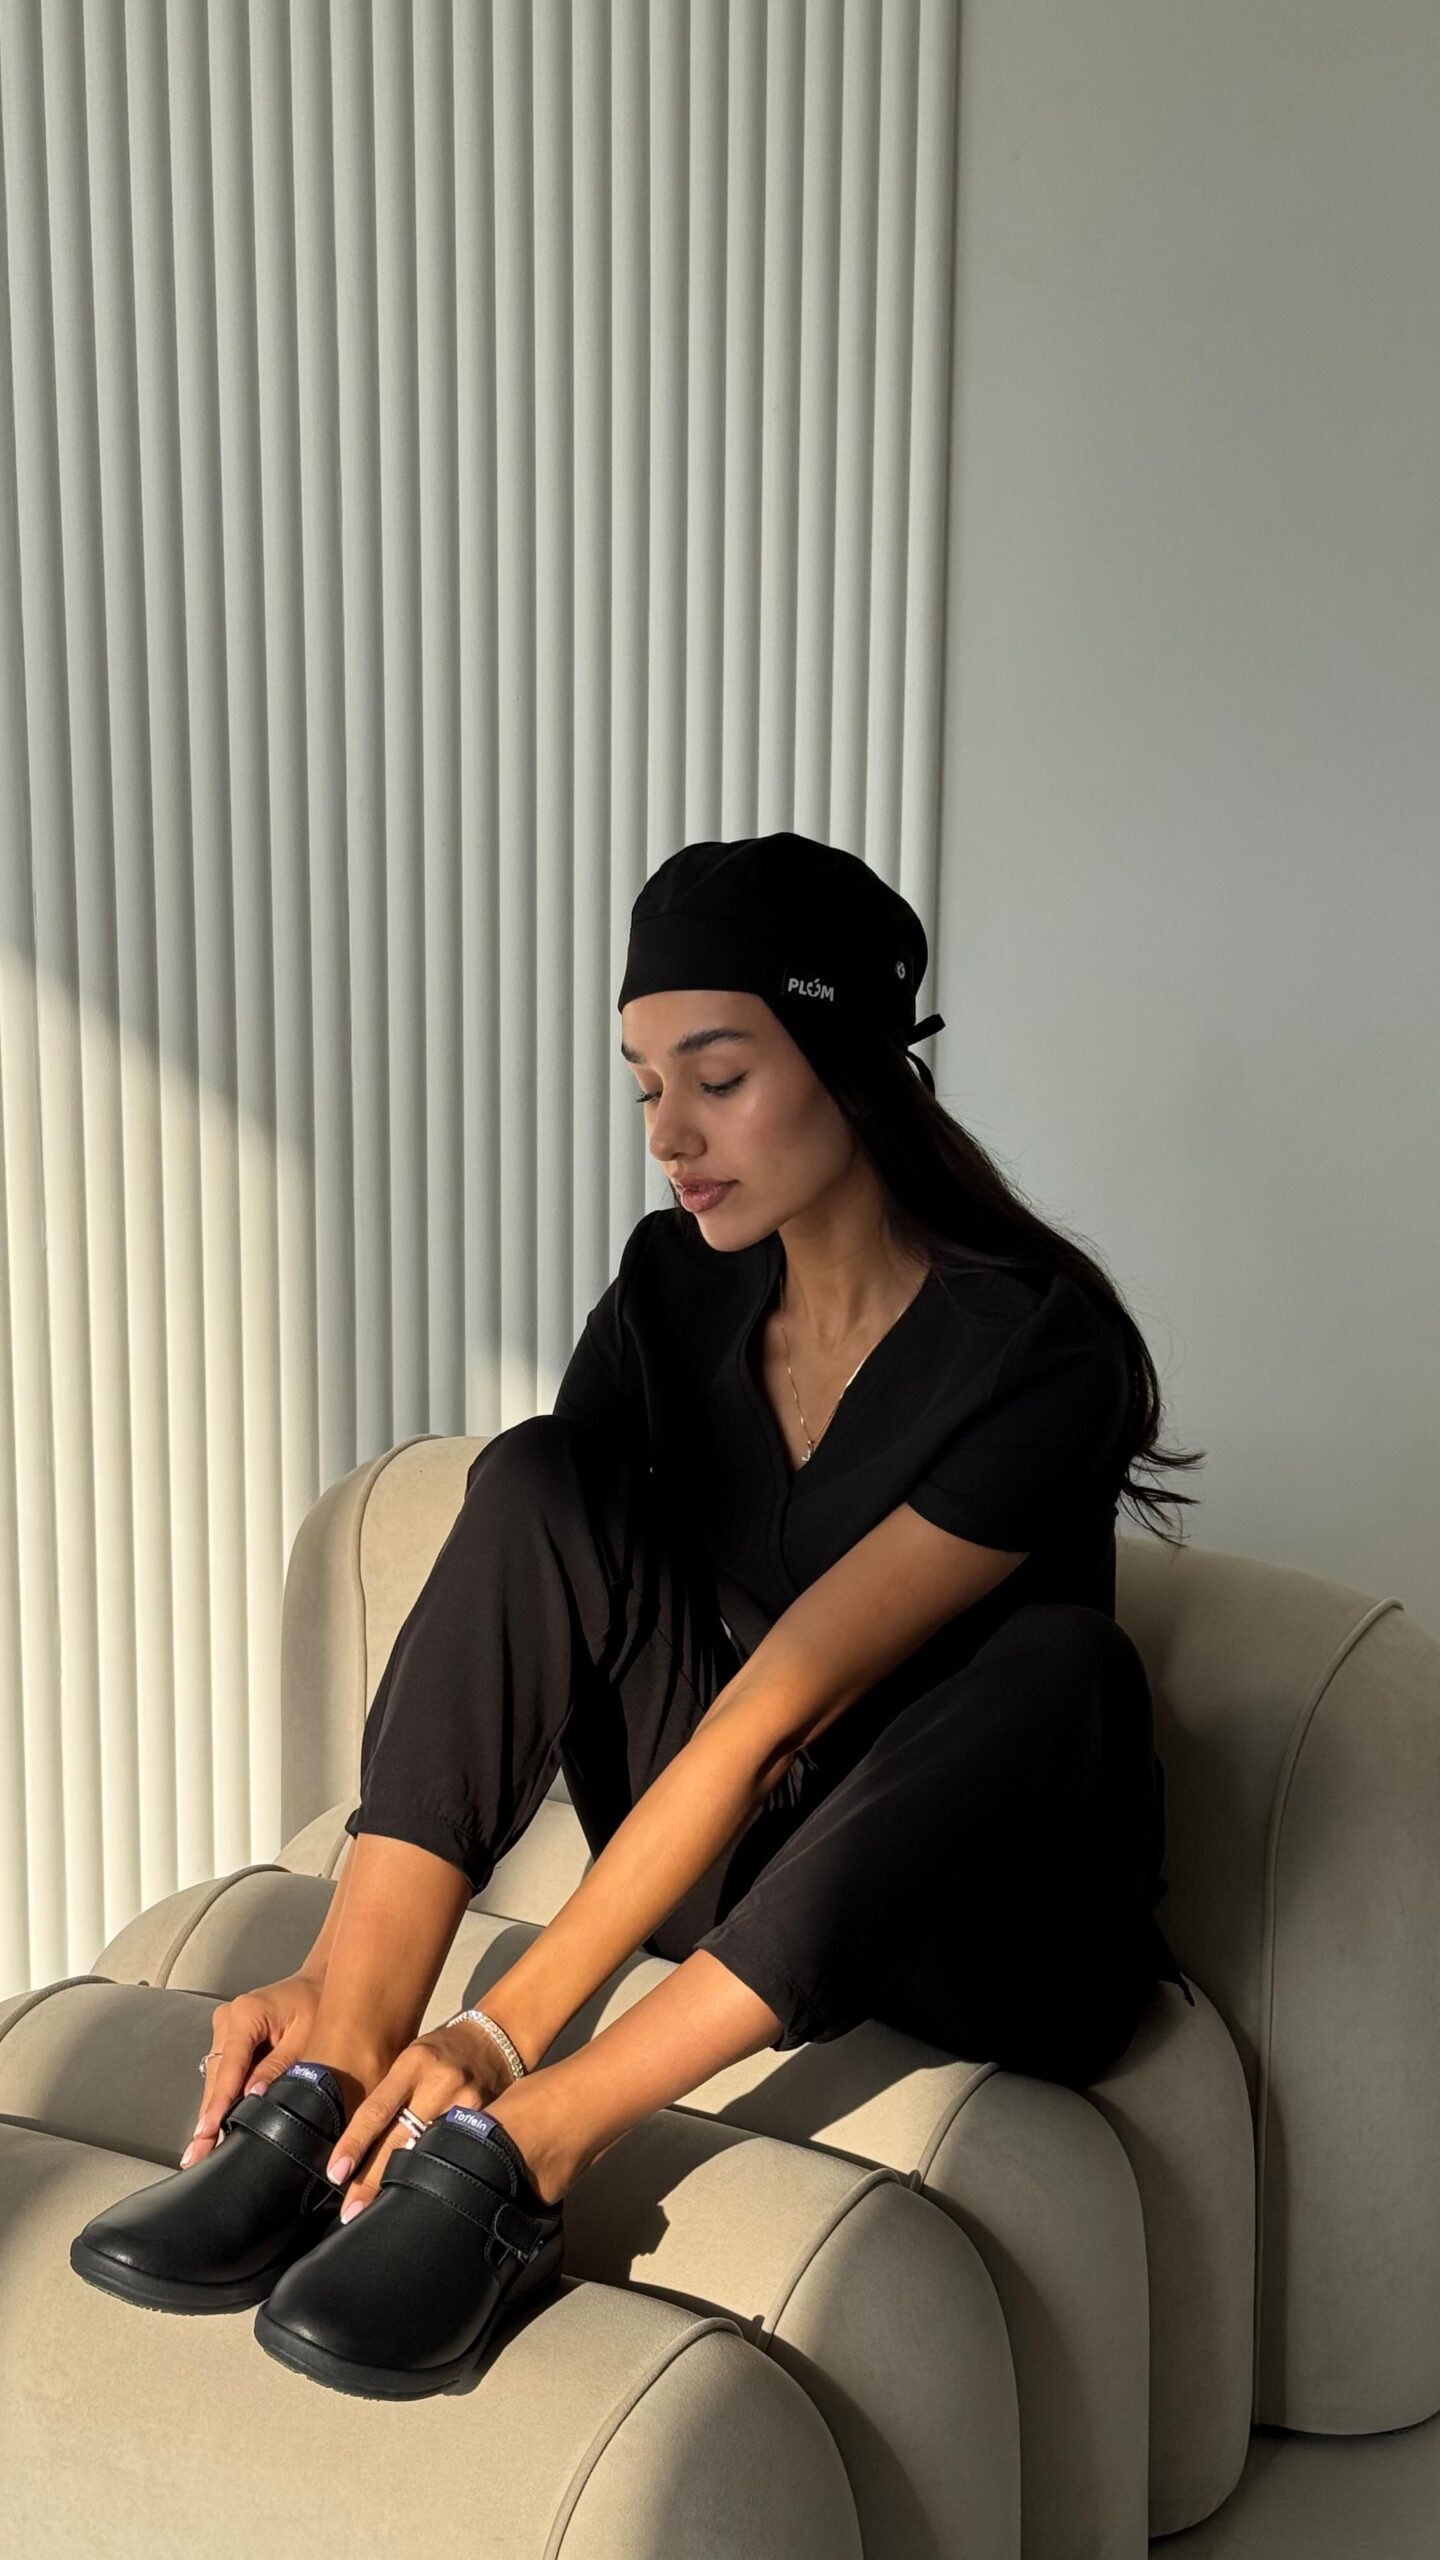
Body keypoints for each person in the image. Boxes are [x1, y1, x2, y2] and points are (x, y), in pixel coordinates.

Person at [70, 831, 1202, 2398]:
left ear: (853, 1067)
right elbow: (546, 1579)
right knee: (540, 1473)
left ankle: (525, 2154)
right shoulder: (678, 1283)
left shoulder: (1038, 1352)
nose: (670, 1133)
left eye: (718, 1078)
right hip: (747, 1871)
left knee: (1066, 1664)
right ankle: (340, 2062)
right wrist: (338, 1973)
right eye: (646, 1085)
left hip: (971, 1920)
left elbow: (784, 1703)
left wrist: (505, 2039)